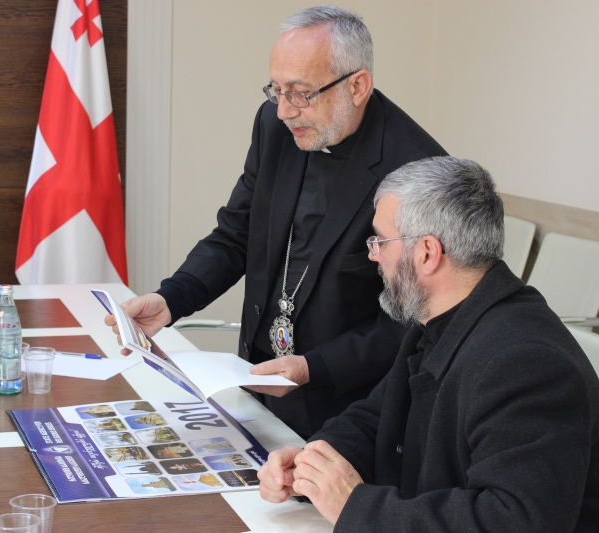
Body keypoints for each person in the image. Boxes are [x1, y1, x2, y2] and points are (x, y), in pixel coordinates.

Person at [106, 6, 447, 439]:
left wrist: (314, 367)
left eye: (301, 93)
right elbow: (236, 234)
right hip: (256, 379)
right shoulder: (275, 126)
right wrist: (172, 297)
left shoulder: (419, 169)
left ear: (357, 86)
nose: (285, 110)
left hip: (350, 408)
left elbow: (416, 318)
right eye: (277, 90)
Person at [258, 156, 599, 531]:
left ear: (427, 253)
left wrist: (354, 507)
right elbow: (376, 419)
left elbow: (514, 521)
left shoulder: (527, 362)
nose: (373, 255)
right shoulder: (441, 319)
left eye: (380, 241)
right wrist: (311, 466)